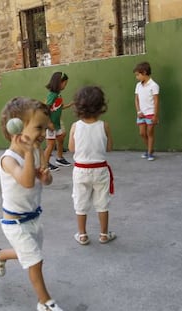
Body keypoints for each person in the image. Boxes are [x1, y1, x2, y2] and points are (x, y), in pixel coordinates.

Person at [0, 97, 64, 311]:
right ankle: (45, 302)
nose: (43, 133)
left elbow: (44, 180)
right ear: (17, 128)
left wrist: (45, 176)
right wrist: (30, 154)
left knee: (29, 254)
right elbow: (26, 181)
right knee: (35, 261)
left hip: (34, 218)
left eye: (45, 127)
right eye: (39, 127)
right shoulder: (8, 159)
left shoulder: (36, 152)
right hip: (15, 224)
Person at [68, 86, 116, 245]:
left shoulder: (75, 126)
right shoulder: (105, 125)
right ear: (100, 105)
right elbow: (109, 148)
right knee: (102, 203)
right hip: (100, 169)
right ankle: (104, 234)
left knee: (80, 203)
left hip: (81, 170)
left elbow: (71, 148)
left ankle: (82, 235)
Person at [43, 72, 72, 171]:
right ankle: (45, 164)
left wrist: (70, 105)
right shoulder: (52, 95)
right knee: (50, 145)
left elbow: (59, 106)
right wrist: (48, 123)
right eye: (65, 83)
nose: (65, 86)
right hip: (51, 124)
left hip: (57, 124)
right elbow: (46, 108)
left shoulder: (58, 94)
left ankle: (59, 158)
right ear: (59, 83)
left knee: (61, 137)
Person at [133, 61, 160, 161]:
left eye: (137, 75)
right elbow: (136, 99)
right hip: (141, 114)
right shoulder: (138, 85)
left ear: (144, 73)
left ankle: (149, 153)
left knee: (150, 133)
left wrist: (155, 116)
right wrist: (138, 111)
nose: (137, 77)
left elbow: (156, 101)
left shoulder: (154, 85)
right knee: (142, 133)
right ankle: (150, 149)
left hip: (151, 113)